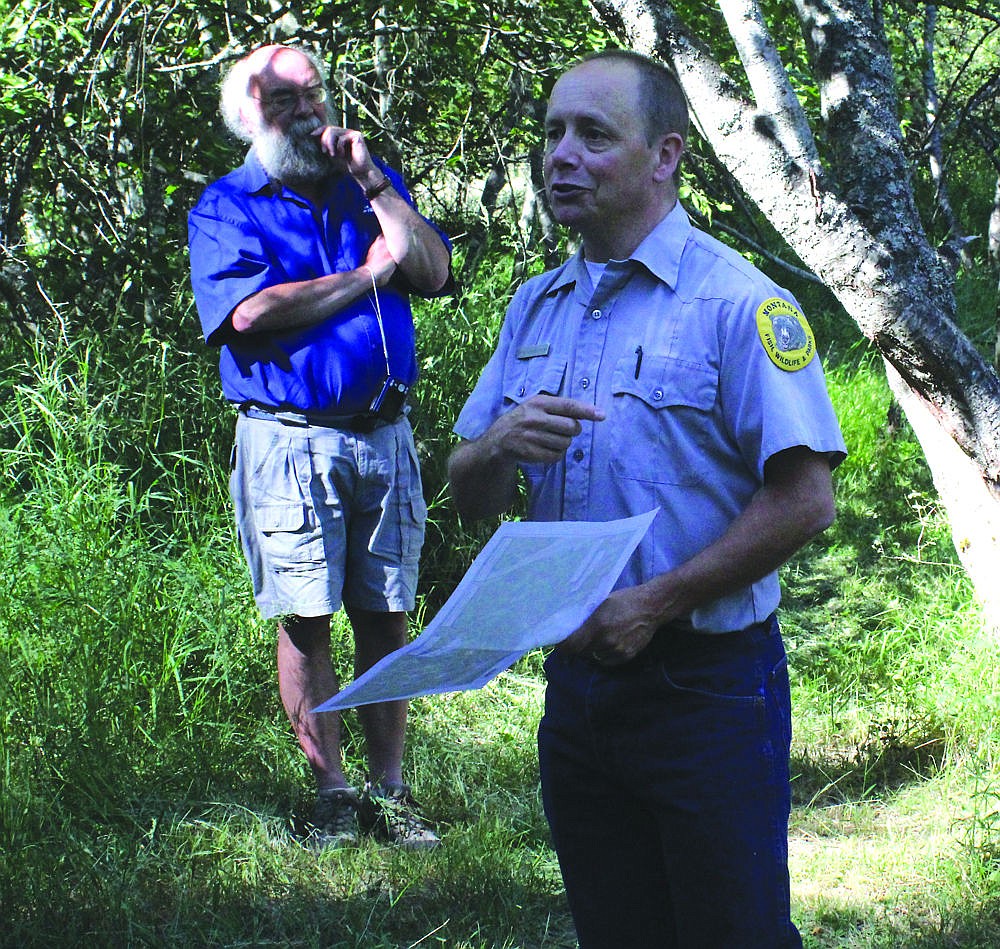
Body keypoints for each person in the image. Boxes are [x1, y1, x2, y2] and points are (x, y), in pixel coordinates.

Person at [448, 49, 846, 947]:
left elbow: (807, 498)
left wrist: (655, 603)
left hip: (706, 688)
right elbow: (471, 493)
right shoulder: (534, 308)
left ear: (665, 155)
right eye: (552, 132)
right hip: (580, 689)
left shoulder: (736, 302)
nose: (561, 155)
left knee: (731, 932)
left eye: (593, 134)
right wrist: (495, 447)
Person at [188, 44, 452, 851]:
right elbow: (249, 314)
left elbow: (434, 271)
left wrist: (376, 183)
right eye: (284, 100)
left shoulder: (365, 184)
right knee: (307, 619)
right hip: (288, 440)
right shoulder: (229, 203)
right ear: (248, 117)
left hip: (384, 434)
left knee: (387, 614)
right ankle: (332, 793)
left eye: (315, 93)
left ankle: (391, 791)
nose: (308, 112)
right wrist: (368, 279)